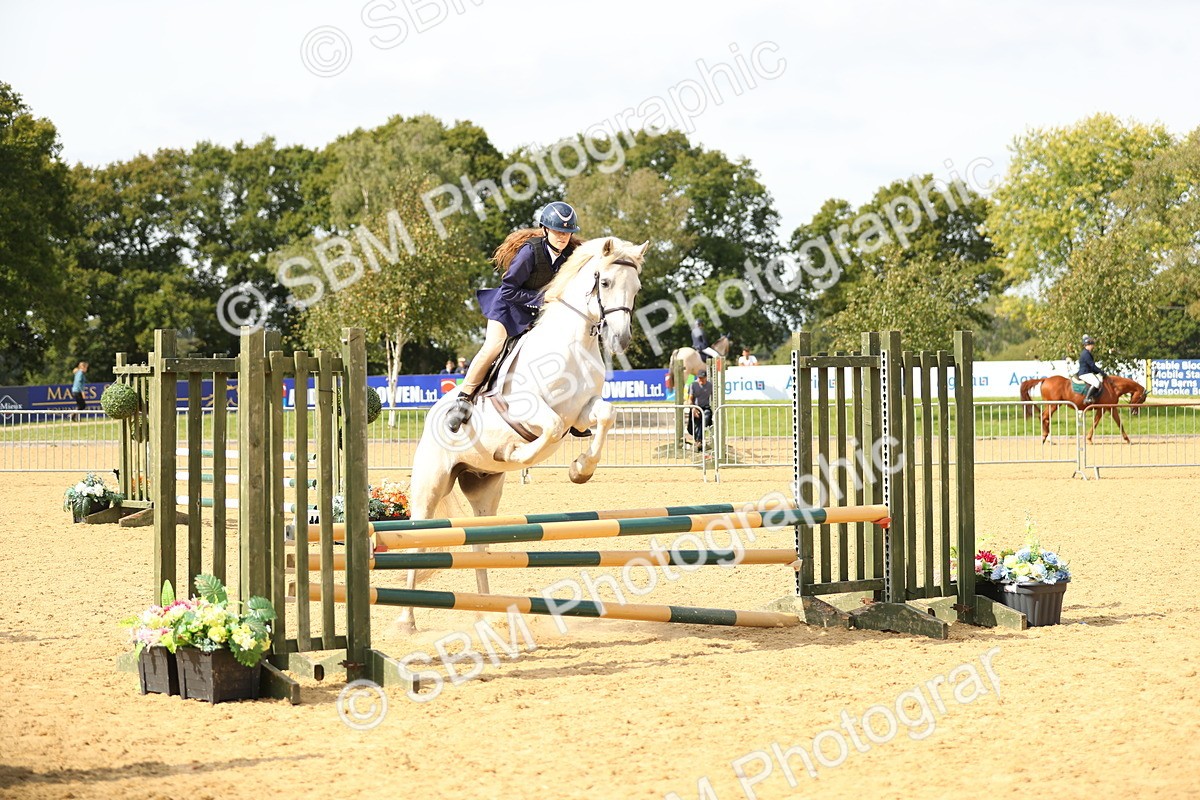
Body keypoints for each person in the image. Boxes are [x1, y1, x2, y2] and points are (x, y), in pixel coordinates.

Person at [446, 201, 582, 432]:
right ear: (546, 229)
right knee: (494, 347)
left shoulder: (571, 255)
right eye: (559, 231)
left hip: (537, 313)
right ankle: (463, 399)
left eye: (567, 232)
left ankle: (573, 409)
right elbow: (509, 289)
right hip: (508, 308)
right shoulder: (530, 252)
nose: (563, 237)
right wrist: (542, 299)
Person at [686, 368, 714, 448]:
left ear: (706, 377)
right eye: (699, 378)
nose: (701, 380)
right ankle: (698, 439)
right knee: (692, 428)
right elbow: (690, 399)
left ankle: (699, 441)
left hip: (705, 408)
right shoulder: (693, 385)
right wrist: (693, 408)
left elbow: (714, 397)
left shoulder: (710, 385)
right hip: (695, 407)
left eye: (702, 378)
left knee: (705, 418)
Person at [1078, 334, 1107, 407]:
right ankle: (1087, 398)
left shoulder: (1086, 353)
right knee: (1096, 383)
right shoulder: (1086, 354)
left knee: (1099, 380)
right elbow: (1092, 366)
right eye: (1092, 345)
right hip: (1085, 373)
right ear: (1088, 345)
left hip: (1087, 372)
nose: (1093, 347)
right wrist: (1101, 372)